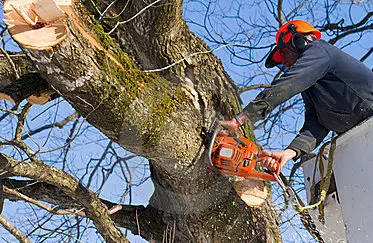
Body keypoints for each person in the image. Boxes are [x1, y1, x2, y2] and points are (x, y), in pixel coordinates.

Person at [220, 20, 373, 172]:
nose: (285, 62)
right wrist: (289, 152)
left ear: (298, 41)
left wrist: (241, 118)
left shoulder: (320, 50)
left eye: (284, 53)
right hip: (362, 137)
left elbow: (287, 85)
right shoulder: (311, 88)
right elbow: (316, 125)